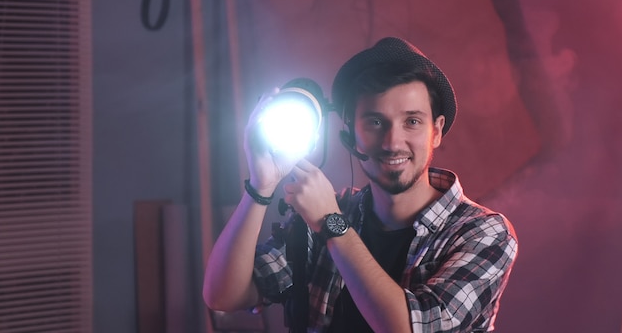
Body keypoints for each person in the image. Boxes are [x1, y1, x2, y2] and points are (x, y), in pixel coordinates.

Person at [203, 37, 518, 333]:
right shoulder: (329, 210)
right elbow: (223, 296)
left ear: (436, 131)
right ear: (349, 134)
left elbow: (409, 328)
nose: (393, 142)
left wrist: (332, 224)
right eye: (375, 122)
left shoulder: (483, 233)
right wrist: (262, 185)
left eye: (412, 121)